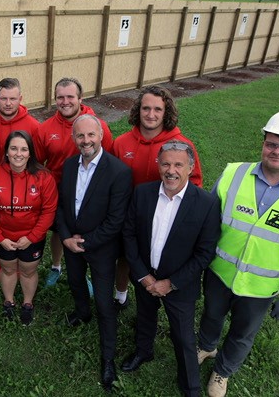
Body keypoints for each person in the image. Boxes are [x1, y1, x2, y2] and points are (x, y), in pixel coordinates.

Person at [197, 110, 279, 397]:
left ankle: (222, 372)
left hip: (261, 288)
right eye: (272, 143)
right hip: (219, 273)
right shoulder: (233, 173)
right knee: (210, 315)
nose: (277, 151)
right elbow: (206, 221)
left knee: (242, 334)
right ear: (263, 142)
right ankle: (207, 346)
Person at [120, 140, 220, 397]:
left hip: (180, 284)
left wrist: (170, 283)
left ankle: (190, 385)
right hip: (145, 276)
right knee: (145, 316)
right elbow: (129, 235)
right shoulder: (142, 193)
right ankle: (144, 351)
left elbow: (205, 253)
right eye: (165, 163)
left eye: (178, 164)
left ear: (190, 167)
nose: (171, 170)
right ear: (158, 165)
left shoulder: (206, 203)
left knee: (184, 335)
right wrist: (143, 276)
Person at [56, 114, 132, 390]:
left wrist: (84, 242)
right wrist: (65, 238)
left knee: (103, 301)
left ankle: (107, 357)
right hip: (71, 243)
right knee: (75, 282)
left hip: (100, 248)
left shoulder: (118, 171)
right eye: (80, 136)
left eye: (91, 135)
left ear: (101, 136)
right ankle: (81, 312)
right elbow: (62, 206)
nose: (85, 141)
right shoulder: (68, 166)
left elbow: (115, 220)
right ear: (73, 138)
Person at [111, 85, 203, 312]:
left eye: (157, 110)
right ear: (138, 110)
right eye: (145, 108)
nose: (150, 115)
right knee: (124, 256)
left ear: (166, 112)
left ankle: (159, 296)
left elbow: (195, 182)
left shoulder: (181, 145)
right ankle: (120, 295)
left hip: (163, 216)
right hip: (128, 216)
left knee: (157, 259)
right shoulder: (122, 142)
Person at [34, 77, 113, 289]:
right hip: (59, 192)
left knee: (87, 231)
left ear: (80, 98)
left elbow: (109, 161)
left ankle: (83, 271)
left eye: (70, 96)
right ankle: (57, 266)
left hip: (91, 192)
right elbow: (38, 164)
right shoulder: (45, 129)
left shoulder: (98, 126)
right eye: (60, 97)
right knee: (60, 231)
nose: (65, 101)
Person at [0, 131, 57, 325]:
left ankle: (27, 303)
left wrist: (32, 237)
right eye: (13, 148)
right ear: (6, 152)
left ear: (30, 153)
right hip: (4, 237)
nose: (18, 153)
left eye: (24, 149)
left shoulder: (43, 177)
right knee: (7, 269)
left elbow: (49, 211)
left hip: (32, 238)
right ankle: (9, 301)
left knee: (28, 271)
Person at [0, 78, 40, 282]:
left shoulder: (33, 126)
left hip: (22, 187)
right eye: (4, 98)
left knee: (16, 222)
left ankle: (19, 265)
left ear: (20, 98)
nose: (8, 103)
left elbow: (37, 159)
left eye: (13, 98)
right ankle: (1, 261)